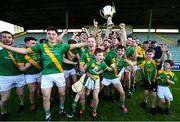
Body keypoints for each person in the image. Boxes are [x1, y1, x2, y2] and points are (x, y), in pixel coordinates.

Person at [0, 26, 87, 121]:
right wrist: (3, 46)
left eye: (53, 34)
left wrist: (90, 42)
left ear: (56, 36)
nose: (51, 36)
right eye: (49, 34)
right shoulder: (41, 46)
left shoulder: (62, 46)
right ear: (47, 35)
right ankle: (47, 115)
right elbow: (25, 51)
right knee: (46, 97)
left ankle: (61, 108)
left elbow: (76, 45)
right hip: (46, 75)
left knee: (62, 94)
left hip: (59, 74)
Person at [0, 31, 26, 121]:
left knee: (21, 93)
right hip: (5, 77)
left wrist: (26, 67)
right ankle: (3, 112)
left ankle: (22, 103)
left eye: (9, 37)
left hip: (19, 76)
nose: (7, 39)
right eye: (4, 37)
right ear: (1, 39)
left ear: (13, 39)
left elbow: (21, 67)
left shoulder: (17, 51)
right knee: (5, 99)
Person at [139, 48, 166, 115]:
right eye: (147, 54)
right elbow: (141, 68)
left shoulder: (155, 61)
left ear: (153, 55)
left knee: (153, 95)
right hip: (146, 80)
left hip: (154, 81)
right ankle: (144, 102)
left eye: (150, 54)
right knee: (145, 93)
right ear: (145, 55)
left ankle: (153, 107)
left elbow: (161, 59)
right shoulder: (143, 62)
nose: (148, 55)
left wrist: (163, 52)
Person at [19, 37, 42, 111]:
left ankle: (40, 97)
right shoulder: (22, 53)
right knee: (32, 90)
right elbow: (21, 69)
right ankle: (33, 103)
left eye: (35, 43)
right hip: (29, 75)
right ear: (26, 44)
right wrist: (26, 67)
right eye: (33, 43)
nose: (35, 45)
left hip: (40, 72)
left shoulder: (38, 51)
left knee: (40, 89)